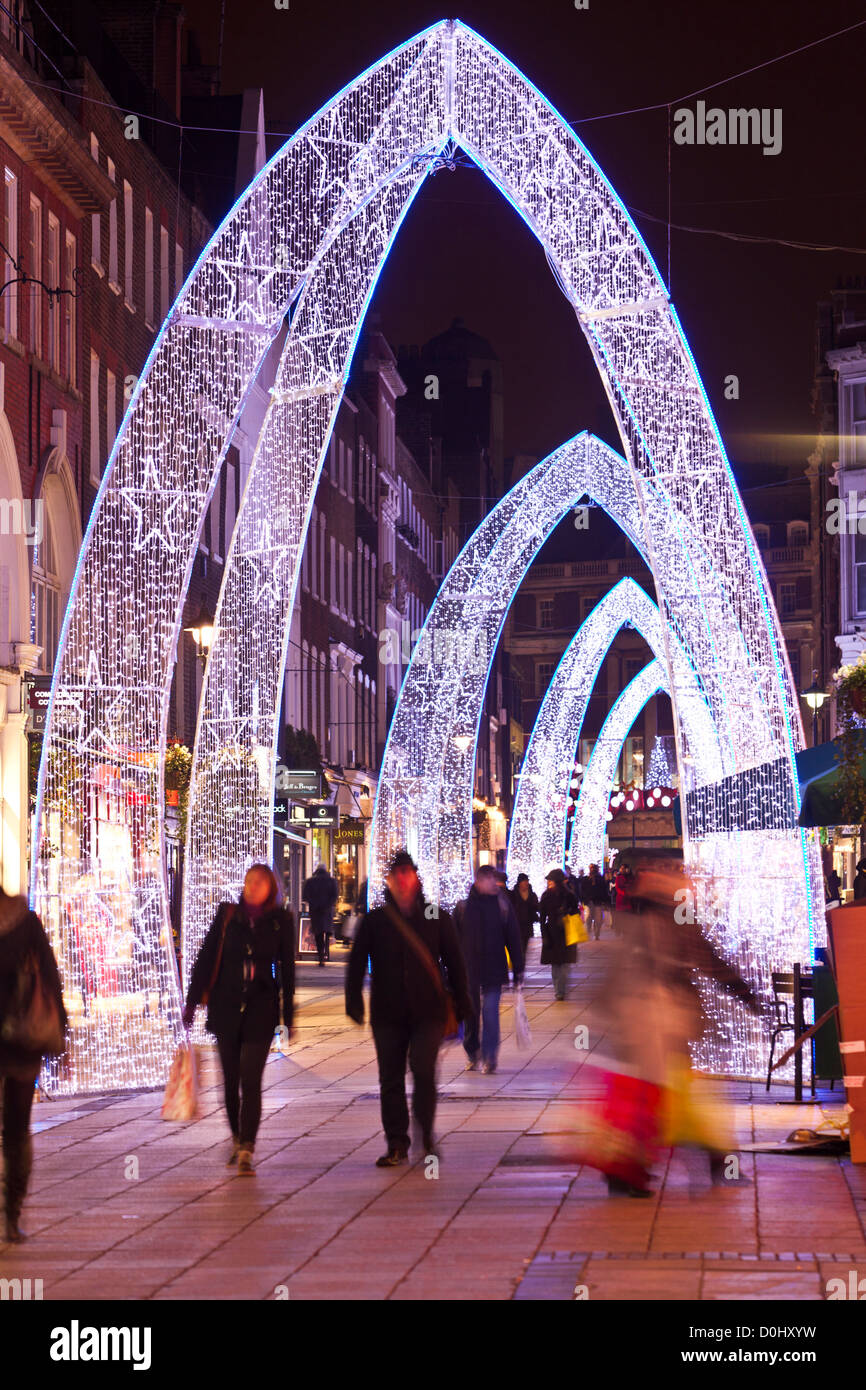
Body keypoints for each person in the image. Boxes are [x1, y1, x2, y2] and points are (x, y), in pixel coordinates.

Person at [346, 850, 473, 1166]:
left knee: (423, 1070)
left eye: (407, 873)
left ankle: (426, 1136)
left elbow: (455, 961)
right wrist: (353, 1002)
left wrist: (463, 1001)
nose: (402, 879)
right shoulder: (377, 920)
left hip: (427, 1011)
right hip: (387, 1013)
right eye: (396, 874)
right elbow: (357, 962)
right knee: (390, 1078)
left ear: (416, 878)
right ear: (389, 881)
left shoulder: (432, 914)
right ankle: (397, 1143)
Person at [183, 864, 295, 1176]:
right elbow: (206, 959)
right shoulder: (228, 916)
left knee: (250, 1078)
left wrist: (289, 1016)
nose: (253, 886)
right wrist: (191, 1004)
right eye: (248, 881)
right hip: (226, 1007)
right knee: (230, 1082)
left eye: (259, 881)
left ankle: (247, 1145)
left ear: (270, 886)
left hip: (261, 1007)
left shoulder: (280, 921)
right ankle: (235, 1136)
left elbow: (287, 969)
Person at [0, 887, 67, 1242]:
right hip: (25, 1039)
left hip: (19, 1040)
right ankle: (11, 1214)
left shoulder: (26, 921)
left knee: (16, 1129)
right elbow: (50, 977)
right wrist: (60, 1037)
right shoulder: (25, 921)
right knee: (16, 1129)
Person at [454, 865, 524, 1074]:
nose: (495, 883)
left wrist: (518, 969)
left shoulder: (503, 906)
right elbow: (453, 941)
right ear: (479, 881)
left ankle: (490, 1055)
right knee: (471, 1015)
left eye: (495, 879)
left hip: (494, 969)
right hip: (469, 971)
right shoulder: (463, 907)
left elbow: (513, 937)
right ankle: (472, 1052)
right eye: (490, 880)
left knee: (491, 1012)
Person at [539, 868, 579, 1000]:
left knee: (559, 964)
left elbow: (542, 917)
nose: (549, 882)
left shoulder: (566, 895)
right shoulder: (550, 896)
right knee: (559, 964)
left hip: (559, 932)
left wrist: (544, 933)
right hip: (557, 932)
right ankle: (559, 990)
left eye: (551, 880)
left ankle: (559, 990)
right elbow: (542, 916)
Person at [303, 863, 338, 966]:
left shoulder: (310, 881)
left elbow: (305, 896)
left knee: (318, 934)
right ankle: (326, 954)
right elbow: (334, 895)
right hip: (327, 911)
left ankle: (321, 957)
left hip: (315, 911)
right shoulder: (331, 881)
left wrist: (314, 903)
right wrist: (328, 905)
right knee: (327, 932)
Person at [510, 873, 540, 958]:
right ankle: (520, 960)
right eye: (524, 881)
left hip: (528, 924)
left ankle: (522, 960)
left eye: (527, 881)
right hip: (517, 924)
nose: (526, 883)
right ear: (520, 883)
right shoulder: (513, 894)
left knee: (525, 945)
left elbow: (536, 906)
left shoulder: (532, 894)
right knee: (518, 945)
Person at [581, 863, 610, 940]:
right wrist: (584, 899)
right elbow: (583, 890)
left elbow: (603, 890)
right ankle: (589, 931)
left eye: (593, 868)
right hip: (590, 900)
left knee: (598, 918)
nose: (592, 870)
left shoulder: (599, 878)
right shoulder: (586, 878)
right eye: (590, 868)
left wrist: (605, 900)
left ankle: (596, 934)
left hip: (598, 900)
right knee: (589, 917)